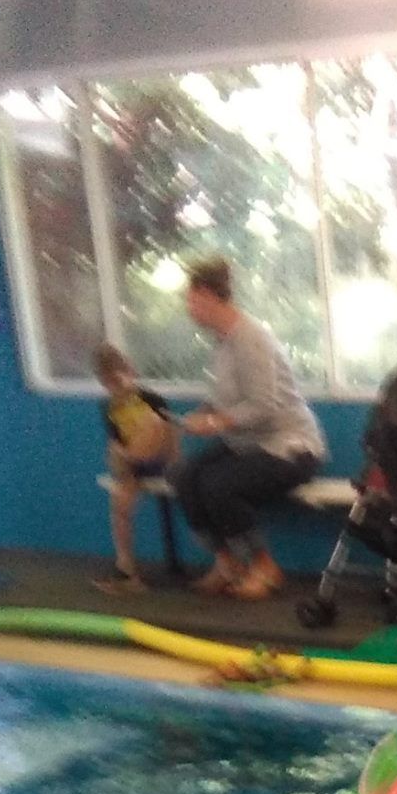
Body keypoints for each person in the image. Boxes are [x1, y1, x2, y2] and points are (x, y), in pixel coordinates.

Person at [170, 257, 327, 602]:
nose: (189, 307)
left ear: (210, 296)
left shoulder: (251, 338)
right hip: (248, 444)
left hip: (291, 447)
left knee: (218, 486)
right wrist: (187, 421)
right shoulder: (221, 342)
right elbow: (219, 402)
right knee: (183, 475)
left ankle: (264, 566)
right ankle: (227, 563)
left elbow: (263, 407)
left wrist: (213, 423)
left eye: (192, 299)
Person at [92, 344, 177, 595]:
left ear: (130, 372)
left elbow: (170, 439)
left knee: (152, 421)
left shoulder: (153, 400)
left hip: (158, 460)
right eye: (109, 382)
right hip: (132, 465)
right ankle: (127, 570)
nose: (115, 386)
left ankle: (129, 461)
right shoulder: (109, 407)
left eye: (118, 378)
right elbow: (116, 443)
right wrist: (122, 458)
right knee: (119, 503)